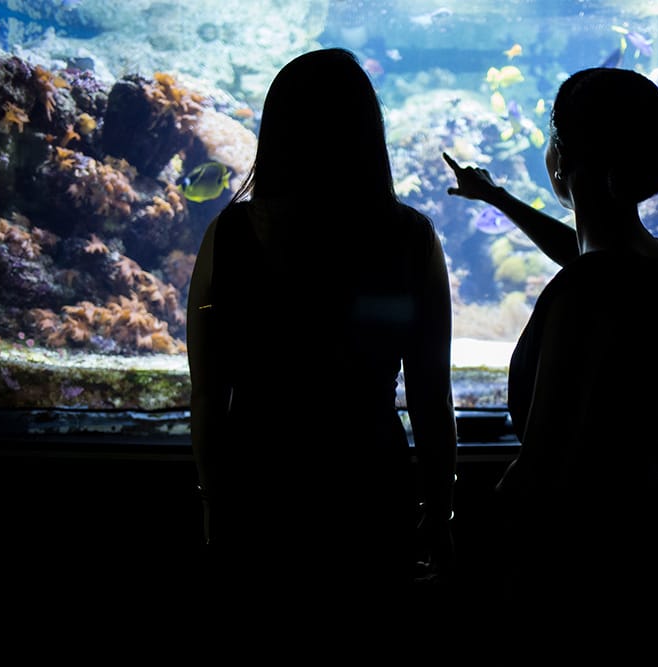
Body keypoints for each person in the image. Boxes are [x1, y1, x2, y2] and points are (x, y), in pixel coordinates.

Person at [187, 48, 457, 598]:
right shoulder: (411, 238)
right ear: (368, 133)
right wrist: (441, 509)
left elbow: (208, 396)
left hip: (259, 486)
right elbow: (432, 398)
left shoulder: (228, 235)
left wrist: (215, 504)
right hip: (370, 482)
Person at [443, 67, 658, 604]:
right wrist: (498, 198)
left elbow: (542, 456)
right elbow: (589, 253)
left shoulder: (580, 295)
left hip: (573, 550)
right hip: (642, 523)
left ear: (562, 155)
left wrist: (472, 538)